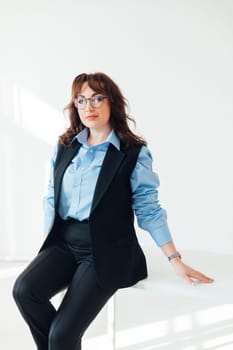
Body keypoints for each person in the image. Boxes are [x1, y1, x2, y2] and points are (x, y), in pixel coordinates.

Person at [13, 72, 214, 350]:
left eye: (97, 98)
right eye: (81, 100)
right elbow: (51, 196)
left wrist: (174, 258)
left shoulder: (132, 153)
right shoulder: (65, 147)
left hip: (106, 250)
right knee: (24, 291)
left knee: (61, 335)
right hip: (64, 243)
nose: (89, 107)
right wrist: (47, 249)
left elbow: (149, 208)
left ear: (112, 103)